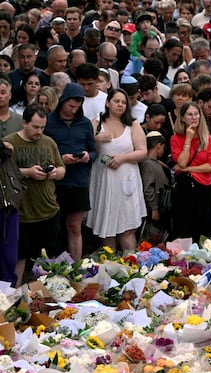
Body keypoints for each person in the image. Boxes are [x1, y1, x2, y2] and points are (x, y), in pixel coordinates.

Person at [5, 104, 65, 285]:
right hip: (22, 213)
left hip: (48, 209)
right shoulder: (9, 143)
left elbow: (62, 169)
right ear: (24, 122)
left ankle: (50, 293)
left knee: (51, 258)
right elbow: (5, 173)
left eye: (42, 127)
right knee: (19, 257)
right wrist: (28, 172)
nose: (39, 131)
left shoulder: (49, 142)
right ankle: (12, 295)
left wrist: (55, 172)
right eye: (35, 127)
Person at [87, 89, 147, 252]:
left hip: (126, 177)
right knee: (107, 227)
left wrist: (122, 158)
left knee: (127, 227)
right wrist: (96, 138)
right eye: (116, 101)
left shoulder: (132, 123)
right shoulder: (96, 121)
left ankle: (130, 264)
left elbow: (142, 151)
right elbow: (85, 145)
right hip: (104, 179)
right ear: (108, 103)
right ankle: (110, 268)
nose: (120, 104)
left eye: (123, 102)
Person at [43, 83, 96, 260]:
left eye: (77, 106)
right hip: (55, 181)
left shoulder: (85, 123)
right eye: (70, 105)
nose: (73, 110)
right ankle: (52, 265)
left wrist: (88, 156)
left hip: (78, 179)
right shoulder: (49, 121)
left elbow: (94, 150)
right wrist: (60, 159)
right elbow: (42, 150)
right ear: (63, 101)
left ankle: (76, 265)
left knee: (75, 225)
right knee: (53, 226)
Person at [170, 102, 211, 240]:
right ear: (183, 118)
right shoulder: (175, 138)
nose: (194, 117)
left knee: (203, 228)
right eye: (190, 114)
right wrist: (188, 140)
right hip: (184, 188)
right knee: (184, 227)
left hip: (204, 188)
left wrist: (189, 169)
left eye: (196, 114)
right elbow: (181, 162)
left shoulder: (208, 140)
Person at [139, 131, 171, 242]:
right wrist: (154, 209)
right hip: (153, 209)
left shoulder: (155, 162)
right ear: (159, 146)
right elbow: (148, 188)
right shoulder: (148, 164)